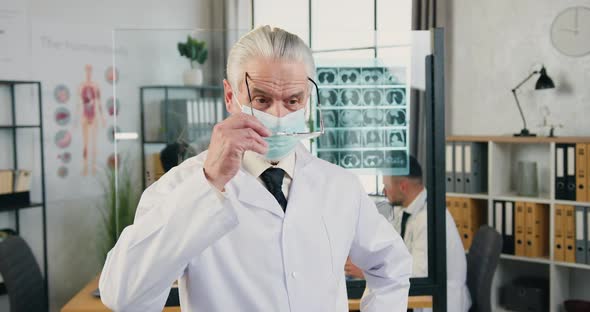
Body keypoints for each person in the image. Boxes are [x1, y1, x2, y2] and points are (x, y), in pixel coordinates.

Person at [99, 26, 412, 312]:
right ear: (230, 96)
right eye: (262, 100)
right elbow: (123, 296)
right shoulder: (182, 187)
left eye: (293, 100)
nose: (278, 115)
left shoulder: (338, 185)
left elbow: (392, 268)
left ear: (307, 100)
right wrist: (209, 183)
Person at [345, 156, 471, 312]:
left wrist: (364, 272)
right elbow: (389, 246)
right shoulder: (405, 209)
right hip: (417, 296)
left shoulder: (429, 219)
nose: (384, 191)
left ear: (403, 187)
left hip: (437, 302)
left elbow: (417, 274)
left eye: (386, 186)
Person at [76, 64, 105, 176]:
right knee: (86, 143)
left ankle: (93, 166)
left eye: (90, 70)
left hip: (94, 115)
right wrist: (76, 119)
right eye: (87, 70)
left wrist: (102, 118)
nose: (88, 72)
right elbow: (78, 103)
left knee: (93, 143)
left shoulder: (95, 86)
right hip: (85, 115)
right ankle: (85, 167)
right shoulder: (81, 86)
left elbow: (99, 102)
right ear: (85, 71)